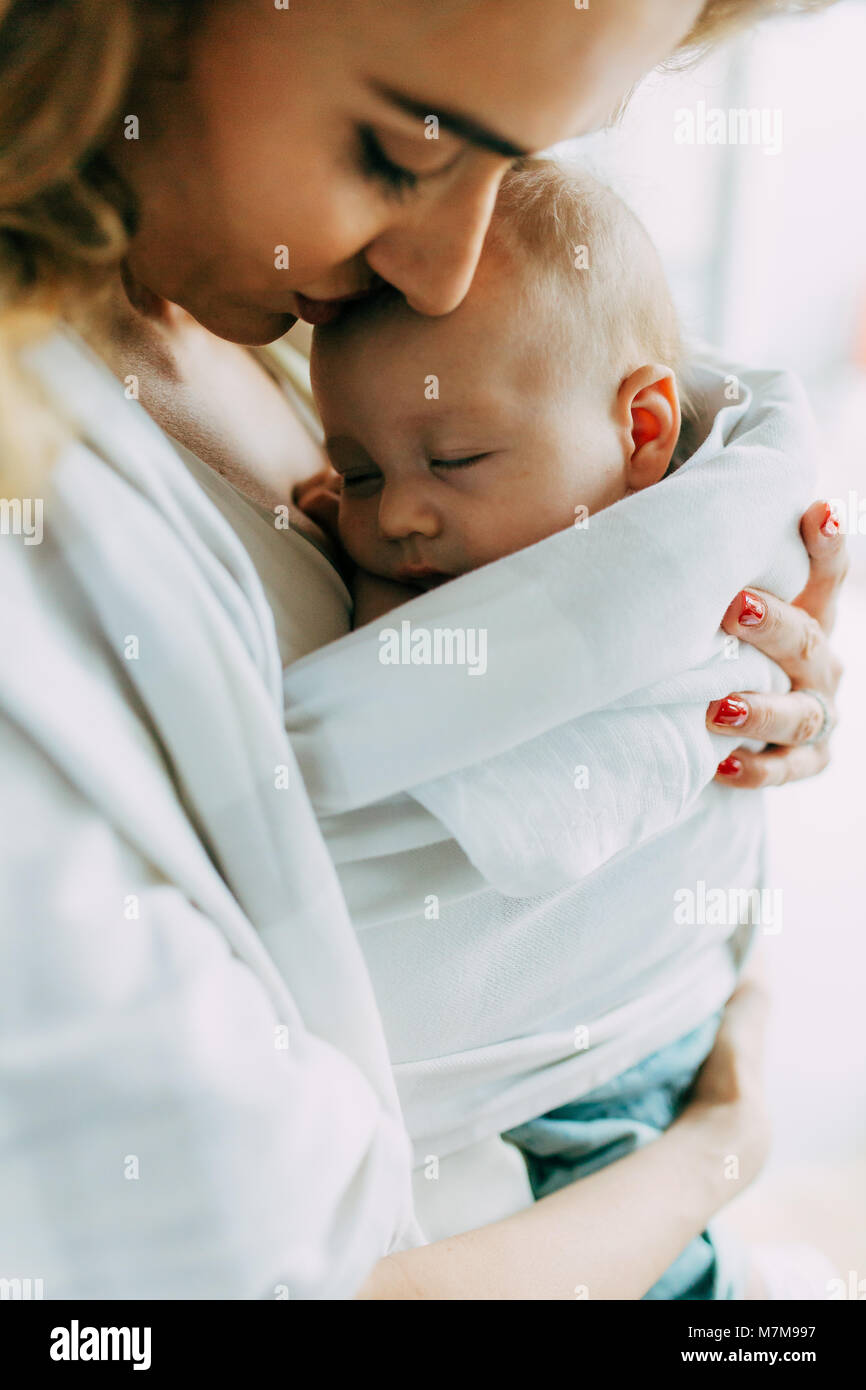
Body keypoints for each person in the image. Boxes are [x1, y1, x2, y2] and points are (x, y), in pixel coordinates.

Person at [0, 0, 845, 1299]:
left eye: (515, 162)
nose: (448, 272)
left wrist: (701, 681)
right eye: (398, 153)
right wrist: (718, 1150)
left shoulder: (275, 323)